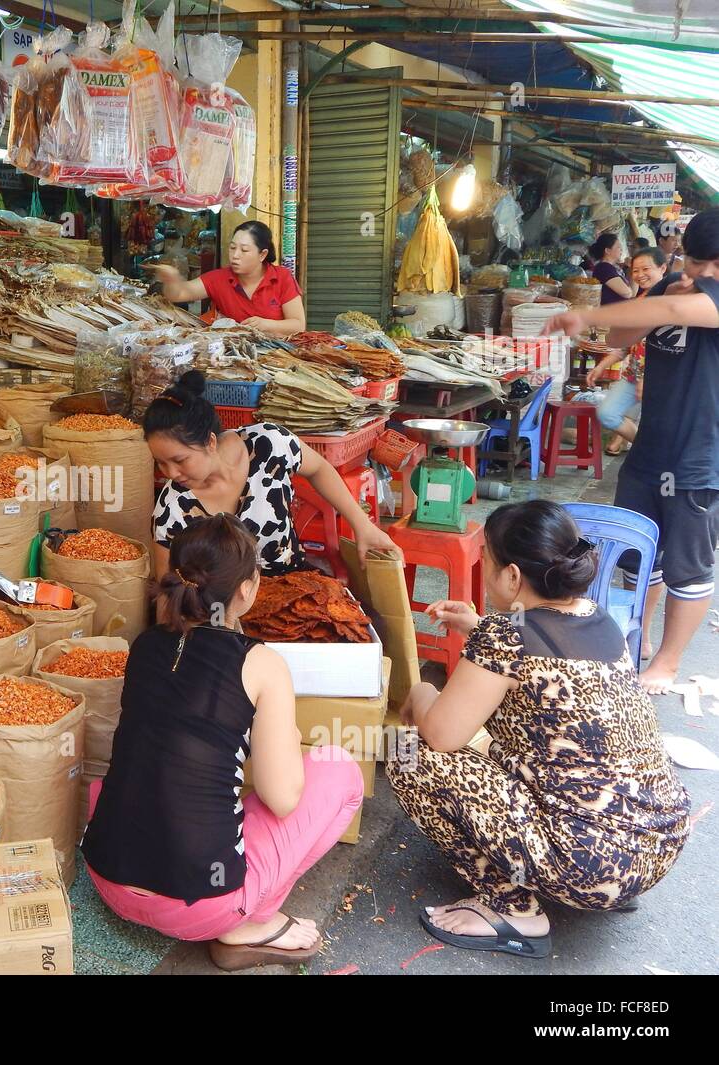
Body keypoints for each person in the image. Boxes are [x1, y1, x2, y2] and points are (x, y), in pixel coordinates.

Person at [389, 500, 690, 959]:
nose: (483, 570)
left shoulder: (506, 636)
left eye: (485, 560)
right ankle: (582, 882)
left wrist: (418, 692)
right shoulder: (596, 616)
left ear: (511, 576)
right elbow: (541, 655)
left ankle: (515, 911)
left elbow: (443, 735)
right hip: (652, 846)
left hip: (588, 864)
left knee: (406, 750)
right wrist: (479, 627)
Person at [81, 514, 365, 971]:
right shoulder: (262, 663)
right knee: (340, 770)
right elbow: (283, 796)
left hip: (107, 877)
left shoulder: (144, 644)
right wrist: (290, 740)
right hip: (198, 906)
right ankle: (251, 923)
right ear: (249, 589)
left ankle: (223, 907)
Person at [544, 207, 719, 693]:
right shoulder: (670, 289)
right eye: (695, 261)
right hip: (652, 448)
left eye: (713, 266)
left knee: (689, 564)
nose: (702, 275)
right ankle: (638, 639)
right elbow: (624, 336)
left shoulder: (695, 298)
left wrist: (585, 313)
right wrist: (654, 291)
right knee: (638, 554)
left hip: (701, 456)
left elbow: (674, 315)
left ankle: (667, 660)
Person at [144, 371, 399, 577]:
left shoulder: (268, 444)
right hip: (221, 611)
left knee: (369, 628)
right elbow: (169, 582)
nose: (171, 473)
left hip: (292, 581)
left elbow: (320, 468)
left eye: (180, 460)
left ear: (210, 442)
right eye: (161, 463)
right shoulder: (172, 506)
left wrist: (362, 525)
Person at [147, 221, 306, 335]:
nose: (235, 255)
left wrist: (266, 324)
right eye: (232, 248)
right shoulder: (219, 278)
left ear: (262, 254)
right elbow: (179, 293)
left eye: (244, 250)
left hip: (278, 358)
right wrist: (171, 279)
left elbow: (298, 325)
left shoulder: (282, 277)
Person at [588, 246, 666, 455]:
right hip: (633, 375)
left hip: (661, 381)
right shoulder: (639, 301)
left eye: (646, 269)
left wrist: (646, 378)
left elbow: (667, 348)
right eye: (635, 270)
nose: (640, 275)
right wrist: (602, 366)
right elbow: (628, 344)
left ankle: (656, 455)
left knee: (662, 426)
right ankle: (650, 452)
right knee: (607, 413)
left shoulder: (671, 304)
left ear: (663, 268)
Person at [587, 232, 637, 304]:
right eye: (618, 247)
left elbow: (633, 293)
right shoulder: (604, 268)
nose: (621, 250)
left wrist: (634, 268)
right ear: (607, 250)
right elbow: (627, 293)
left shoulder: (614, 268)